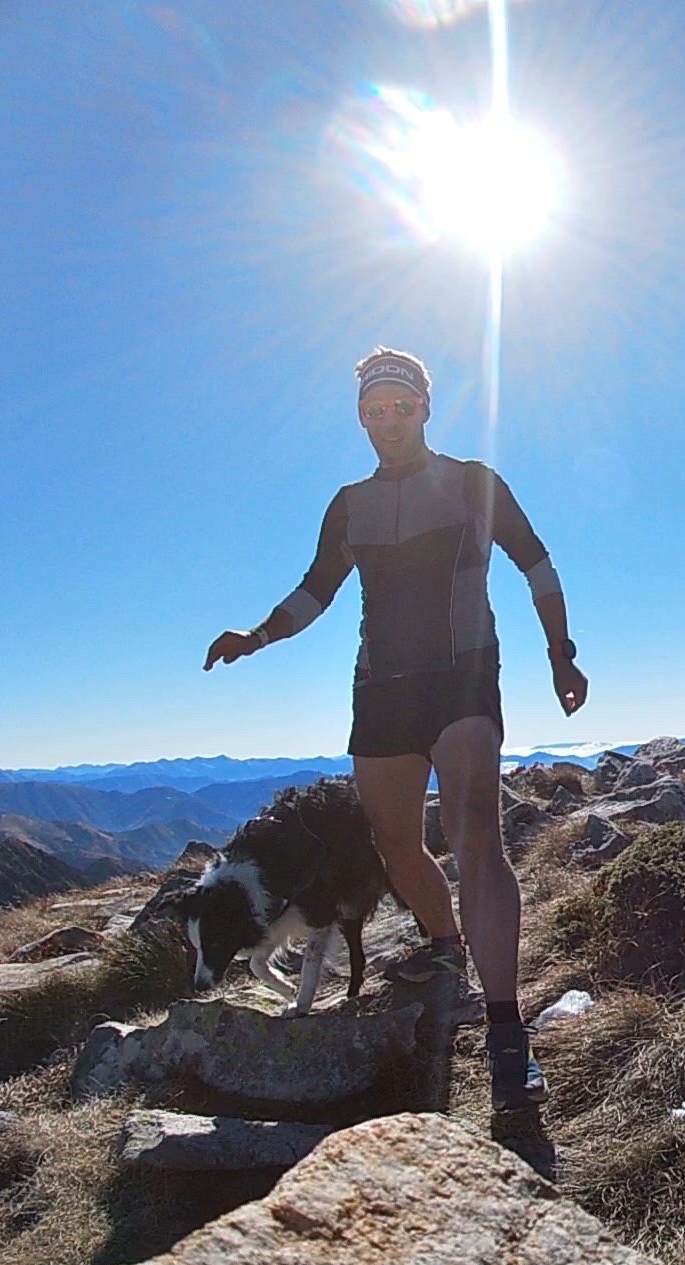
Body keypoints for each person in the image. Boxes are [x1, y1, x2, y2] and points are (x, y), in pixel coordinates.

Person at [202, 347, 586, 1109]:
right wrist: (257, 635)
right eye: (371, 411)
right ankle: (445, 948)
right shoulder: (350, 504)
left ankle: (509, 1035)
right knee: (392, 843)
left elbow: (537, 564)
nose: (385, 421)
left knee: (477, 831)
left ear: (424, 409)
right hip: (380, 689)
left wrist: (561, 653)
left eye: (398, 407)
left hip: (464, 676)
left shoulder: (475, 483)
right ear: (361, 417)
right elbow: (317, 590)